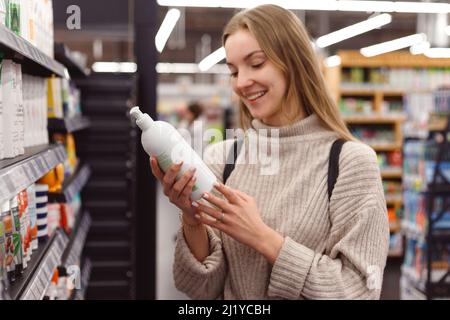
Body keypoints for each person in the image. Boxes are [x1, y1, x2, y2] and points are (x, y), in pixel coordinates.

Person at [150, 4, 389, 300]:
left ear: (294, 62)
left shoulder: (351, 163)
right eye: (233, 70)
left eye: (257, 63)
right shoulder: (221, 159)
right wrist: (192, 220)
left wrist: (263, 237)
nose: (241, 82)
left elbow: (361, 290)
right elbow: (202, 291)